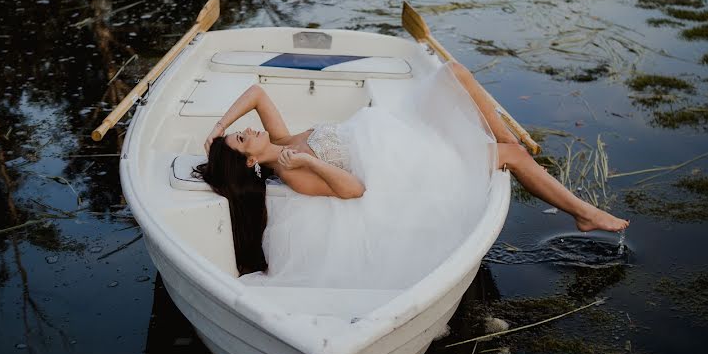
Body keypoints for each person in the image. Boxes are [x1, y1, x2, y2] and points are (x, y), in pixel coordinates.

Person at [198, 62, 628, 280]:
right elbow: (354, 190)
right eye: (241, 139)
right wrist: (311, 161)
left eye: (239, 131)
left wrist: (218, 130)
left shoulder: (280, 138)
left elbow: (255, 91)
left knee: (452, 72)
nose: (247, 130)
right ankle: (582, 213)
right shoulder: (292, 170)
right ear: (251, 162)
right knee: (512, 157)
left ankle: (505, 140)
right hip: (406, 166)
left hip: (398, 131)